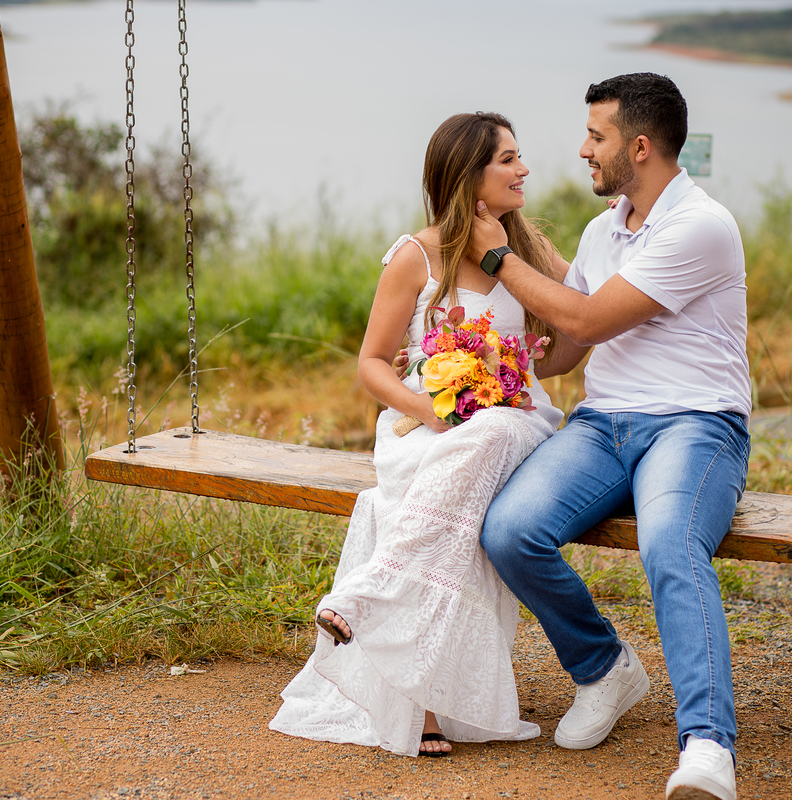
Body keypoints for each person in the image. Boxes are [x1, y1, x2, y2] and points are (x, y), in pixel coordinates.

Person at [471, 73, 750, 800]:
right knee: (508, 531)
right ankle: (604, 668)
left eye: (596, 137)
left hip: (696, 424)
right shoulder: (603, 231)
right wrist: (488, 367)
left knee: (670, 543)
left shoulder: (701, 226)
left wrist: (501, 258)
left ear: (641, 146)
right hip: (604, 425)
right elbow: (570, 347)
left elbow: (589, 319)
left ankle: (707, 748)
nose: (583, 150)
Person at [269, 112, 580, 757]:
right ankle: (423, 702)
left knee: (490, 433)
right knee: (451, 503)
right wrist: (430, 409)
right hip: (427, 426)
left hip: (516, 421)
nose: (524, 170)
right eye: (508, 159)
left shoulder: (531, 252)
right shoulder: (415, 257)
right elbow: (371, 363)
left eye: (519, 157)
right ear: (467, 175)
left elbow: (572, 338)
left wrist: (535, 356)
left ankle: (370, 594)